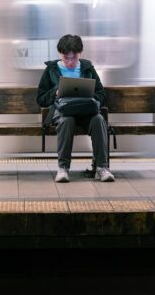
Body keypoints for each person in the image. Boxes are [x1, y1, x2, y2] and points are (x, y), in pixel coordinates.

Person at [36, 34, 114, 183]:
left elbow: (101, 94)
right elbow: (40, 99)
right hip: (63, 112)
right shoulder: (51, 69)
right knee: (67, 121)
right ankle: (63, 168)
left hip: (87, 112)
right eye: (66, 58)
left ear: (80, 54)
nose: (70, 62)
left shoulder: (88, 68)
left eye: (74, 58)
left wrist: (91, 96)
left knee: (98, 119)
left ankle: (102, 168)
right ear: (60, 55)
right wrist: (55, 93)